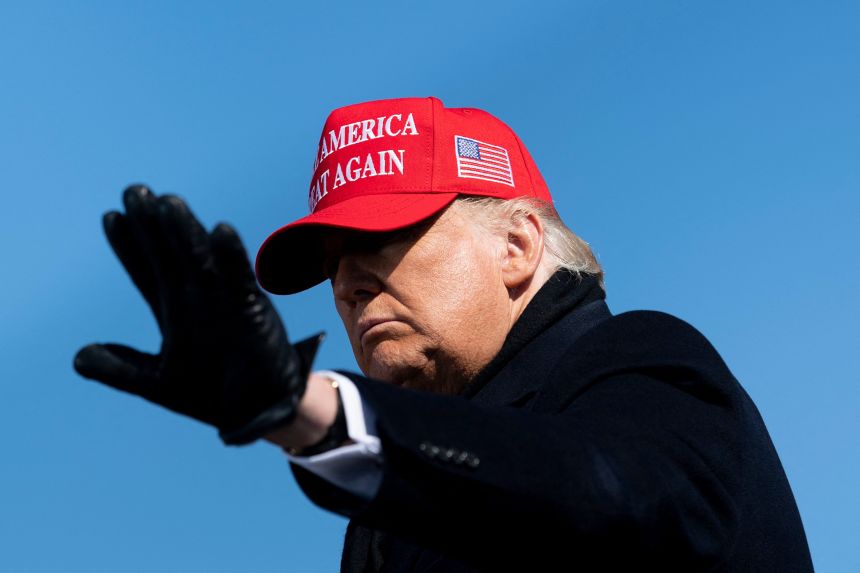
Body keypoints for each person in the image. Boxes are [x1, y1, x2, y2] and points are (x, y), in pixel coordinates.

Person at [75, 97, 814, 572]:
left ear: (517, 246)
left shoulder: (639, 359)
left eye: (383, 236)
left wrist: (312, 411)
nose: (347, 282)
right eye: (330, 263)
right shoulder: (388, 505)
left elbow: (611, 495)